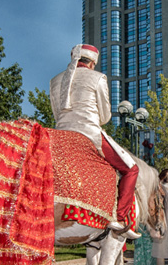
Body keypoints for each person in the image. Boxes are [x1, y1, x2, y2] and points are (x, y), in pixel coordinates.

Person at [49, 44, 138, 236]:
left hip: (59, 136)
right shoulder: (98, 78)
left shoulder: (54, 81)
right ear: (92, 63)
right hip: (88, 133)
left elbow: (57, 114)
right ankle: (119, 217)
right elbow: (104, 117)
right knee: (131, 169)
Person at [133, 182, 166, 265]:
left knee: (142, 250)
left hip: (141, 223)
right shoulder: (154, 196)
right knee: (149, 250)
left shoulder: (141, 194)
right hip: (149, 223)